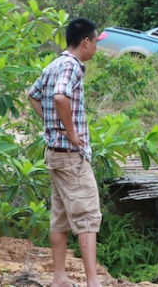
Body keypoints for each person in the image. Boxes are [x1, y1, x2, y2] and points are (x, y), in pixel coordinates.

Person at [28, 18, 108, 287]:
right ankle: (93, 282)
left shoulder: (54, 64)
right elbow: (61, 97)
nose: (96, 47)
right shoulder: (71, 66)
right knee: (87, 217)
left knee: (60, 216)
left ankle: (60, 278)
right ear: (86, 41)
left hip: (55, 154)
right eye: (96, 41)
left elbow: (33, 94)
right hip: (70, 156)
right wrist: (71, 132)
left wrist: (51, 123)